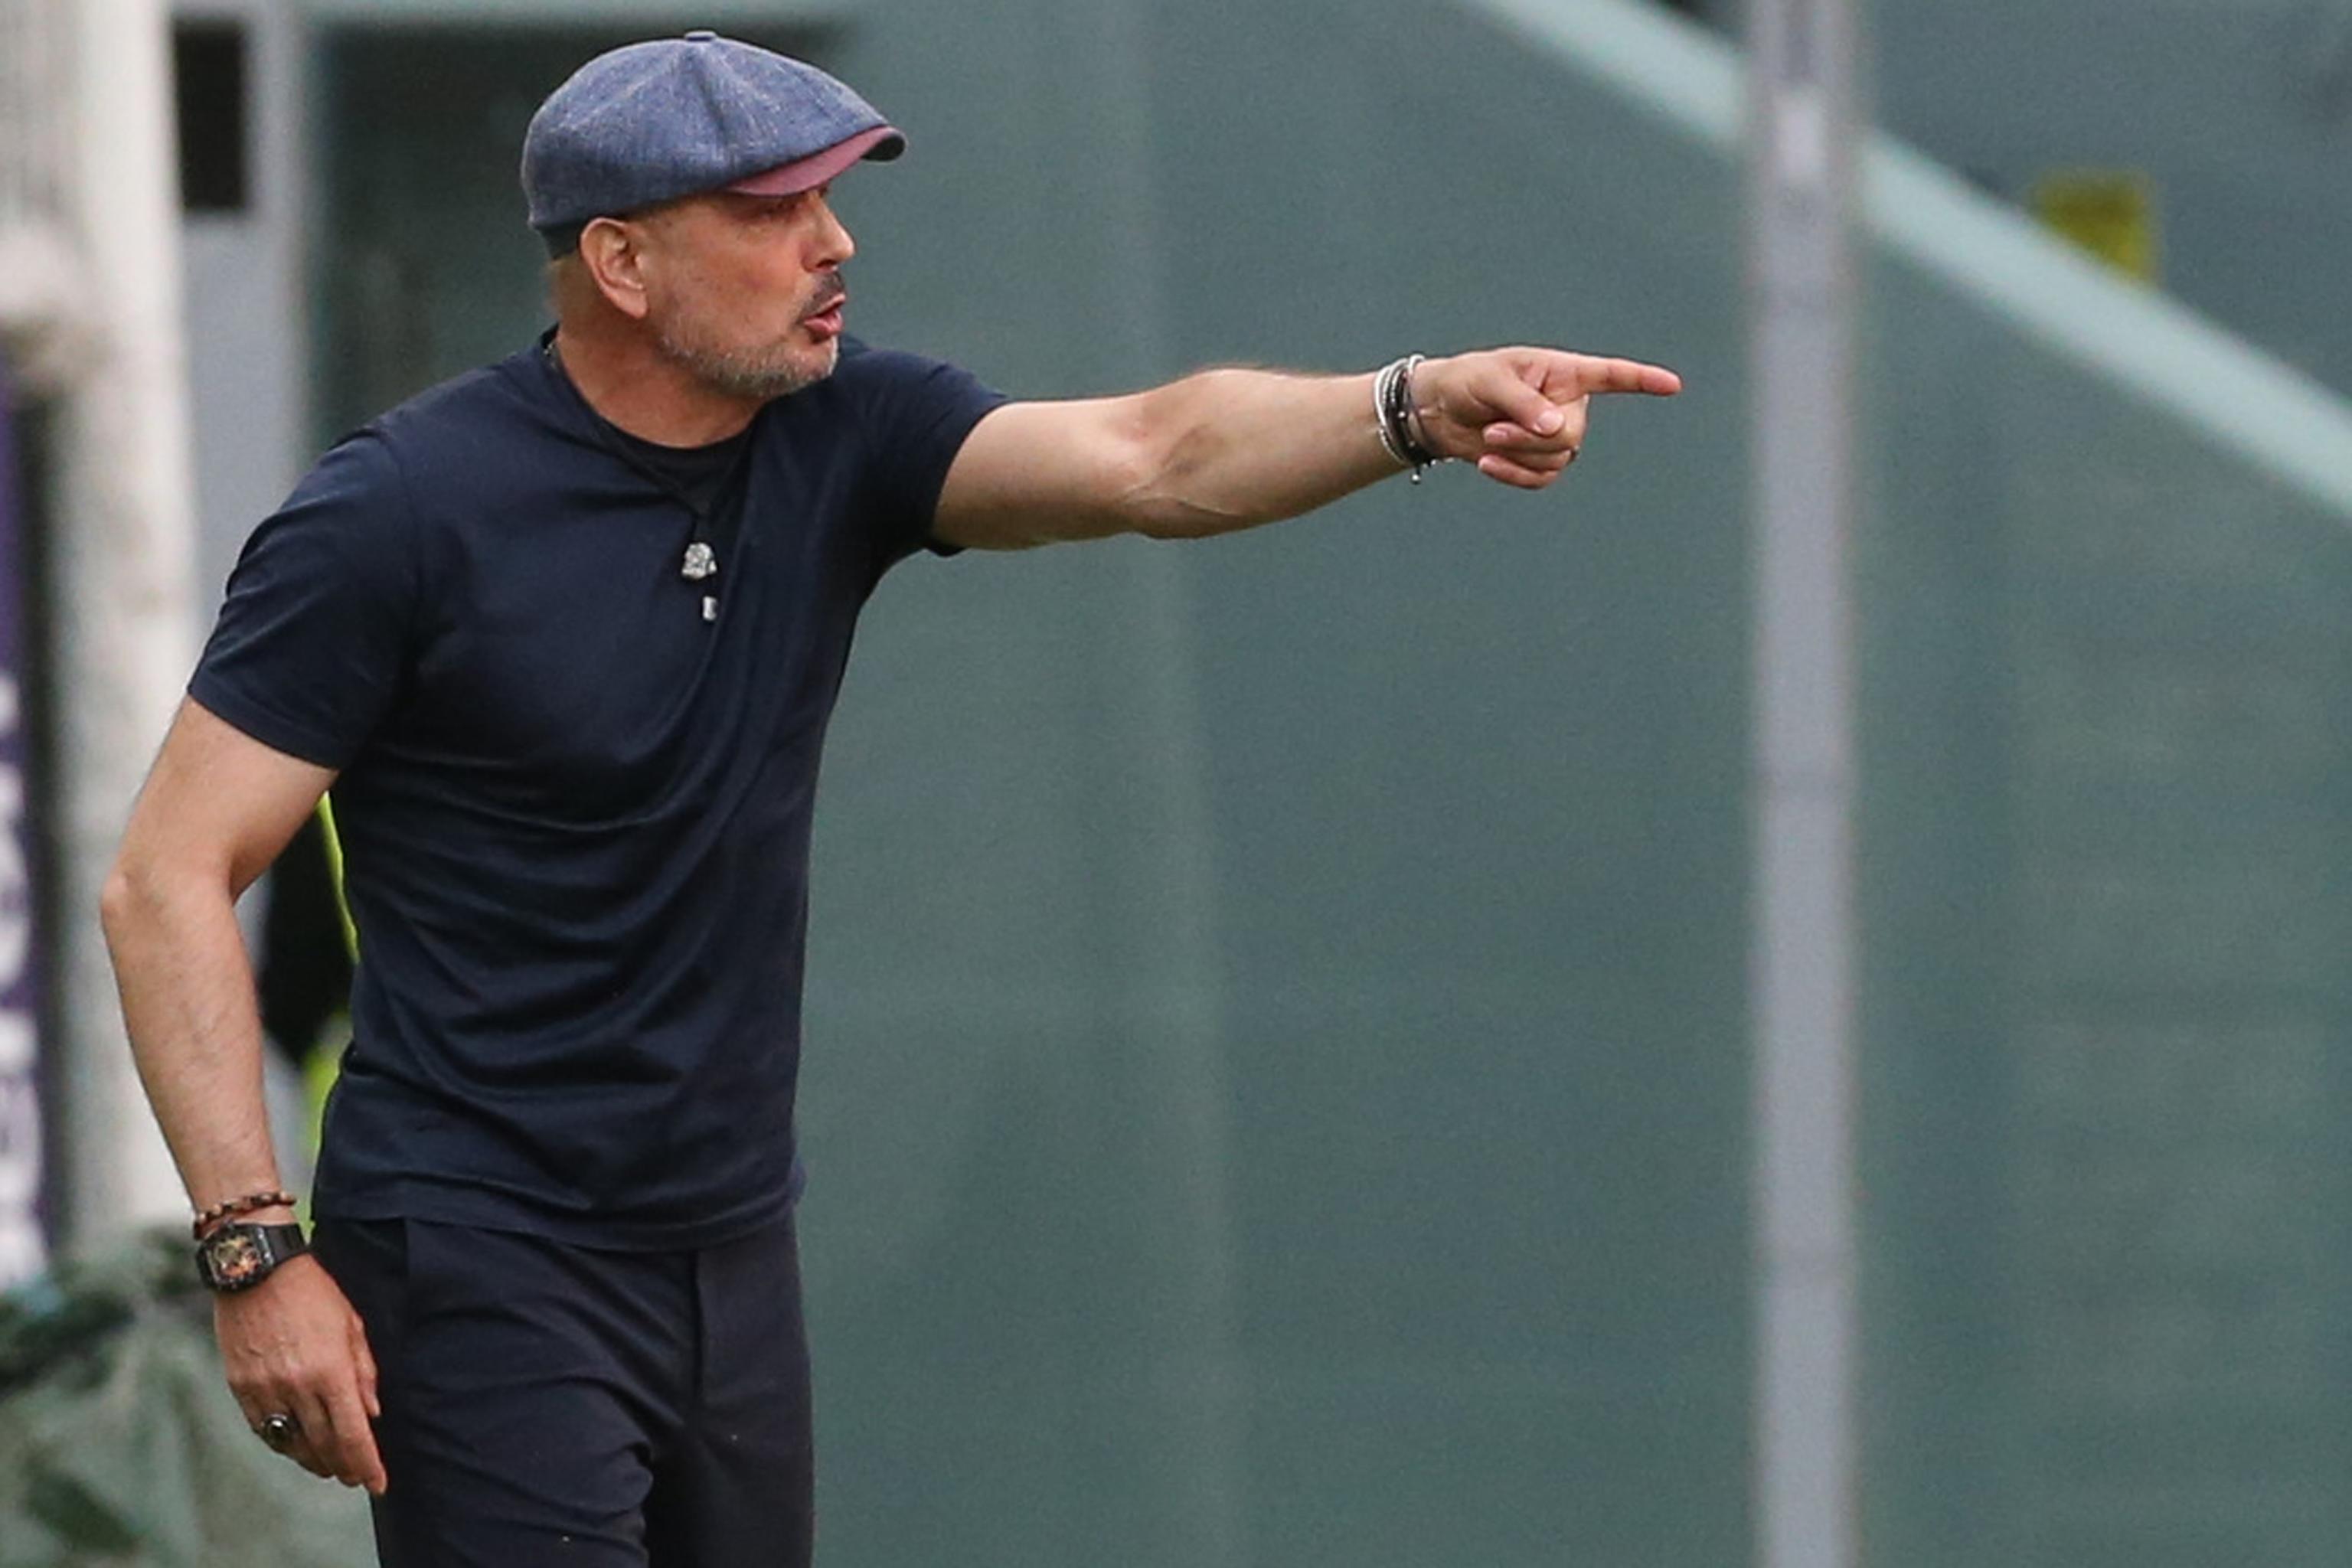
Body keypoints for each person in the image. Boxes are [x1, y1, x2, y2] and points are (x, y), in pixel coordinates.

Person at [99, 29, 1681, 1568]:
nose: (834, 243)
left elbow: (1154, 452)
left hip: (731, 1254)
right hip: (477, 1250)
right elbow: (164, 875)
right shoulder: (397, 511)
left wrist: (1413, 402)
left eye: (832, 198)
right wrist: (253, 1251)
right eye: (775, 211)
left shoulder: (847, 433)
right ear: (623, 264)